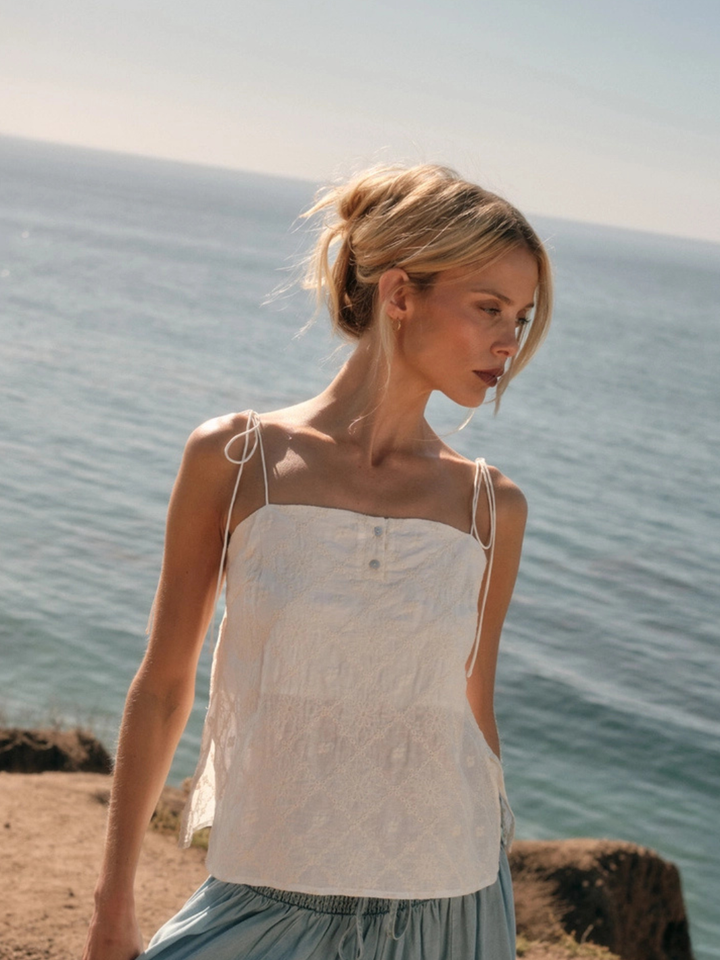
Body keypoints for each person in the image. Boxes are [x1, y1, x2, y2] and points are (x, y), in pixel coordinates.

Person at [82, 163, 552, 960]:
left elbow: (474, 711)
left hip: (449, 897)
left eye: (523, 316)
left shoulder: (490, 508)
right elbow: (164, 687)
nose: (510, 341)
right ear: (399, 295)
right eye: (489, 308)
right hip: (270, 885)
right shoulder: (237, 458)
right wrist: (112, 905)